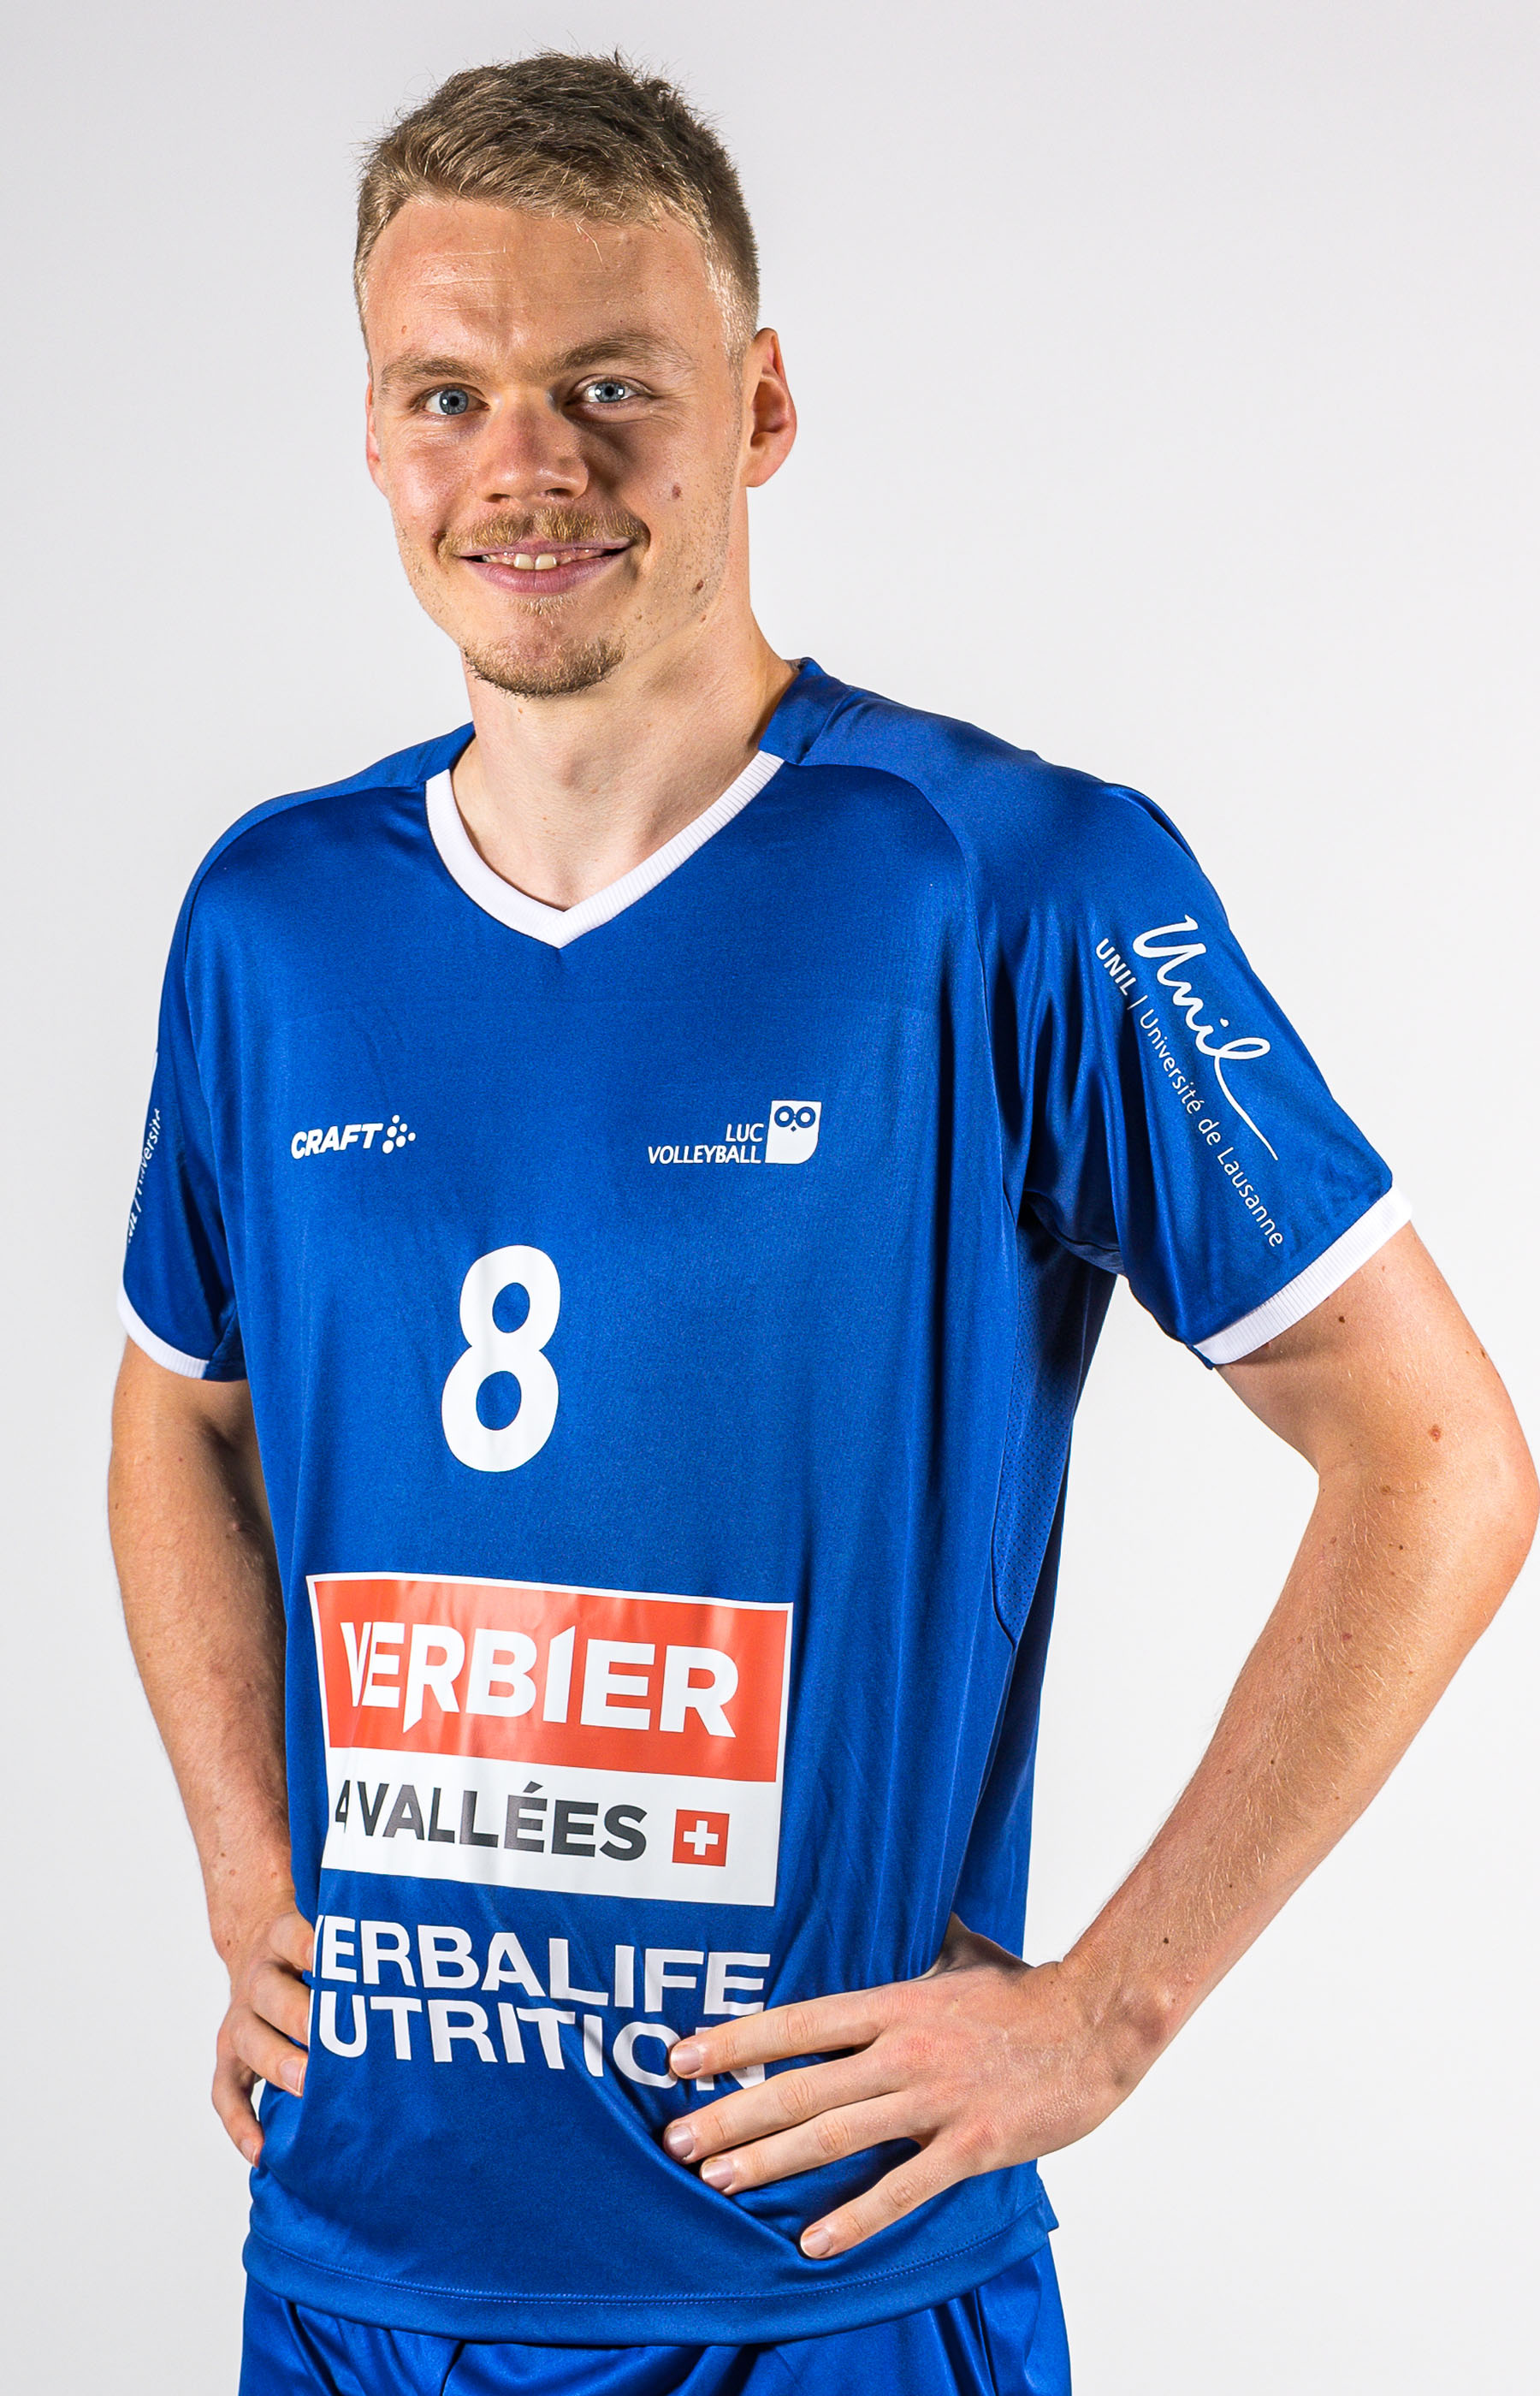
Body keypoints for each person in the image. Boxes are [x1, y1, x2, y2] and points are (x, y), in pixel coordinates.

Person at [108, 50, 1535, 2396]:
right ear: (374, 439)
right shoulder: (271, 922)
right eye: (449, 395)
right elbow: (177, 1412)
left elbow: (1443, 1455)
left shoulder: (1016, 880)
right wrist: (246, 1868)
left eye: (610, 386)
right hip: (359, 2283)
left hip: (828, 2288)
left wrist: (1108, 2013)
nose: (527, 465)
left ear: (759, 407)